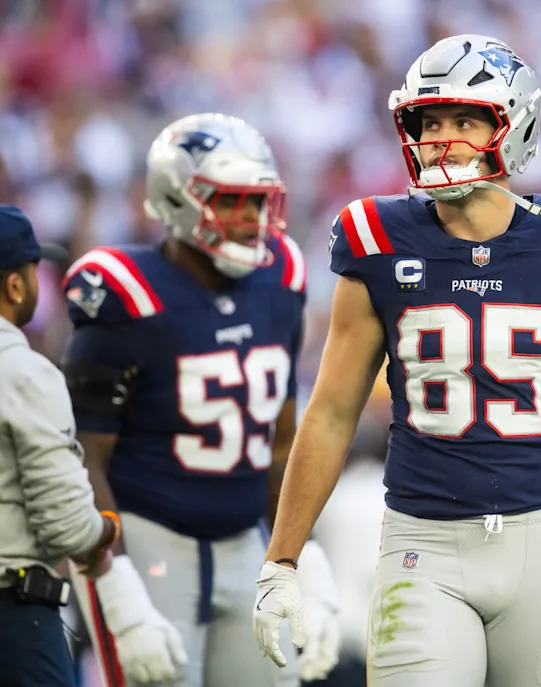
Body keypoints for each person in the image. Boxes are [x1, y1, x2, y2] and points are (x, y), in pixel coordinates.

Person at [253, 35, 541, 687]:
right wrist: (283, 558)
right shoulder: (376, 238)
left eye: (464, 120)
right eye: (428, 121)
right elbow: (329, 413)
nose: (442, 137)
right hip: (424, 544)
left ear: (514, 125)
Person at [60, 113, 339, 687]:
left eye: (258, 202)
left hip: (246, 543)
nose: (251, 219)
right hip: (150, 539)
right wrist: (114, 580)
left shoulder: (282, 275)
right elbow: (84, 458)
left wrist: (301, 552)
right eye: (232, 201)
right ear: (177, 199)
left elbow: (280, 442)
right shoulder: (124, 294)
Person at [0, 204, 119, 687]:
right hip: (13, 618)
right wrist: (102, 535)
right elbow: (69, 527)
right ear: (14, 285)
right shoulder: (24, 371)